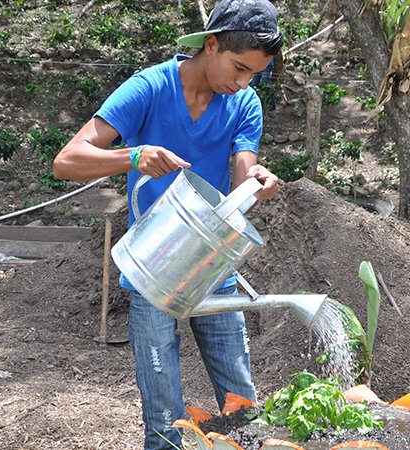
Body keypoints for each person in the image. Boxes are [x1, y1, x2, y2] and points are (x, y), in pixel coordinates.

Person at [52, 0, 283, 448]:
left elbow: (241, 175)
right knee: (163, 418)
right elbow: (66, 161)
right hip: (153, 271)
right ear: (210, 44)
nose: (242, 83)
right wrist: (133, 156)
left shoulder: (244, 102)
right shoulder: (148, 88)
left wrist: (257, 181)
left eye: (253, 74)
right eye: (237, 68)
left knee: (244, 408)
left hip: (215, 267)